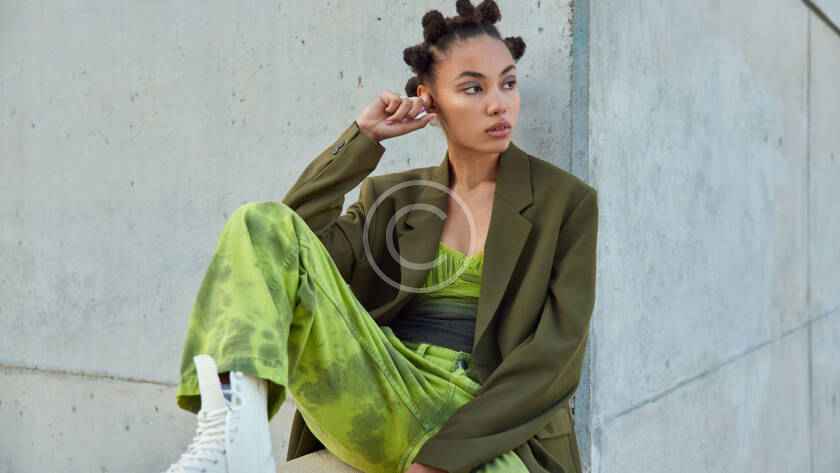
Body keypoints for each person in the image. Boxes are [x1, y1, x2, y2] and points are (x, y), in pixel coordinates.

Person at [161, 1, 598, 473]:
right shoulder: (393, 198)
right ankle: (232, 422)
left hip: (482, 415)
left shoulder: (565, 202)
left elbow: (554, 359)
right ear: (429, 99)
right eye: (473, 88)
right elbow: (283, 250)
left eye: (508, 83)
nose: (499, 104)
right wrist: (362, 140)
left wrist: (440, 459)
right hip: (386, 384)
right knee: (257, 221)